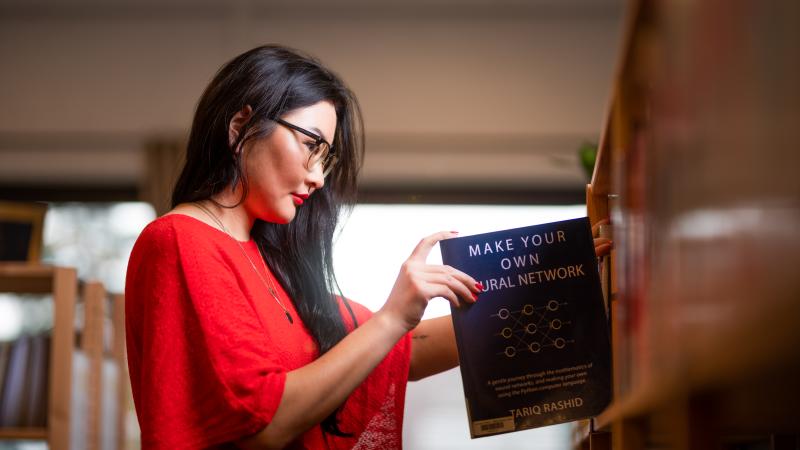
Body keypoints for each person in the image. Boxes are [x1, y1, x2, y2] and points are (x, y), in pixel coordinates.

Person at [125, 44, 613, 449]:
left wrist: (560, 279)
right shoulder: (179, 241)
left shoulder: (266, 261)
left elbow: (403, 352)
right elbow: (263, 424)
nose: (317, 177)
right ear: (240, 126)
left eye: (326, 158)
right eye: (310, 144)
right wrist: (392, 316)